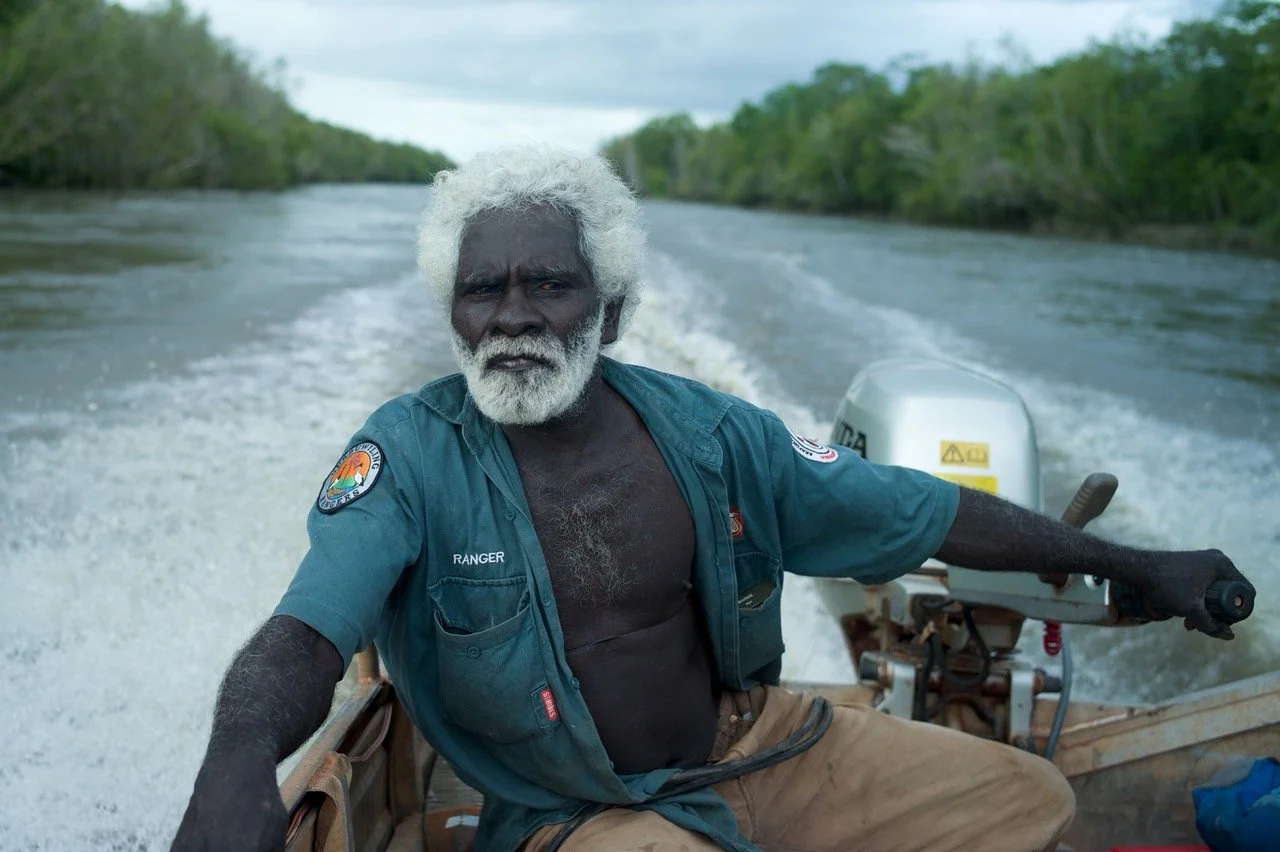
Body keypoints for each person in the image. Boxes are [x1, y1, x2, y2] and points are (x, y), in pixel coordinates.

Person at [171, 144, 1255, 852]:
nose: (511, 315)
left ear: (614, 306)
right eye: (481, 287)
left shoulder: (710, 433)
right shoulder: (408, 456)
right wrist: (233, 763)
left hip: (757, 744)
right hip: (584, 812)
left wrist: (1134, 565)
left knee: (1029, 803)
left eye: (547, 283)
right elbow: (307, 637)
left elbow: (915, 509)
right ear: (450, 309)